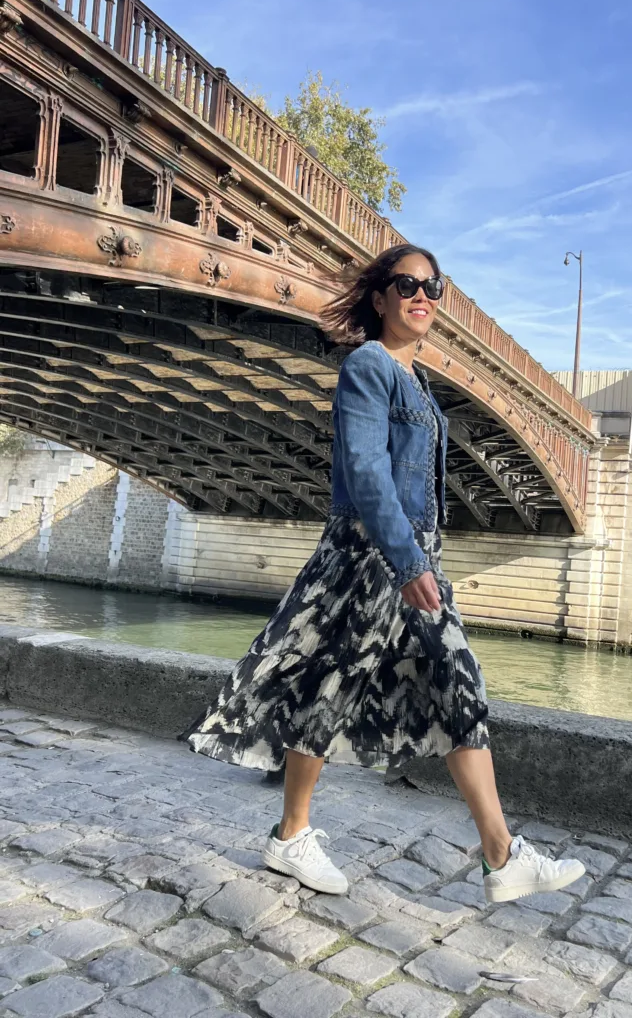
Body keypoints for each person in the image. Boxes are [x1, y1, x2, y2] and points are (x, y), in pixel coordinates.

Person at [181, 244, 586, 903]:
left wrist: (418, 558)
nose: (421, 295)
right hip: (374, 557)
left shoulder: (416, 381)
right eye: (407, 285)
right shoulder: (370, 366)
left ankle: (500, 852)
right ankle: (292, 835)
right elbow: (367, 474)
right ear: (380, 298)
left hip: (405, 558)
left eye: (433, 287)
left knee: (456, 687)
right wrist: (407, 560)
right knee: (335, 687)